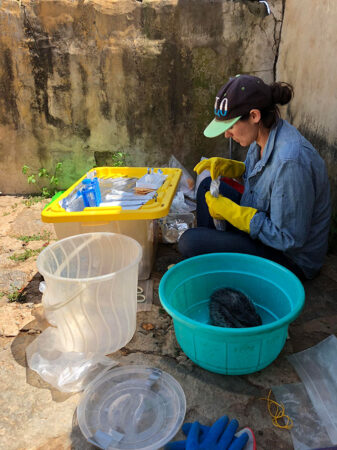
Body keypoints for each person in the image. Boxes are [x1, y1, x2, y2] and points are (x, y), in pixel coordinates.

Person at [178, 74, 331, 279]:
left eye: (230, 126)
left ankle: (213, 256)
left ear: (254, 116)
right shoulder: (262, 135)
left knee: (190, 242)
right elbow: (259, 176)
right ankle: (214, 257)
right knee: (207, 185)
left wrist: (236, 214)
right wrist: (235, 169)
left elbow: (289, 239)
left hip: (289, 260)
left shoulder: (290, 161)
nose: (227, 134)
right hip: (265, 226)